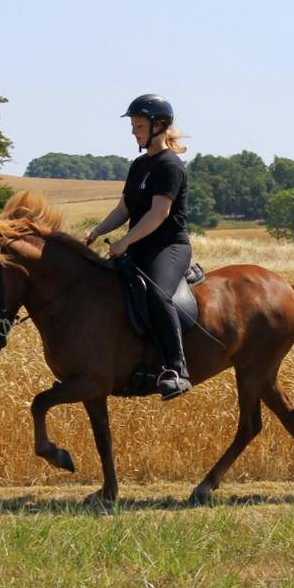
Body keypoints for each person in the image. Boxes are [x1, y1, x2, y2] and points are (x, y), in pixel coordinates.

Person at [84, 94, 192, 400]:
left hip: (168, 246)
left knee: (158, 294)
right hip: (138, 247)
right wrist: (96, 232)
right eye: (133, 126)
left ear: (159, 126)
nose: (134, 132)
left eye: (139, 125)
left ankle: (176, 369)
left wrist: (123, 242)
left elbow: (159, 213)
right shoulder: (139, 165)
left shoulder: (170, 166)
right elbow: (124, 209)